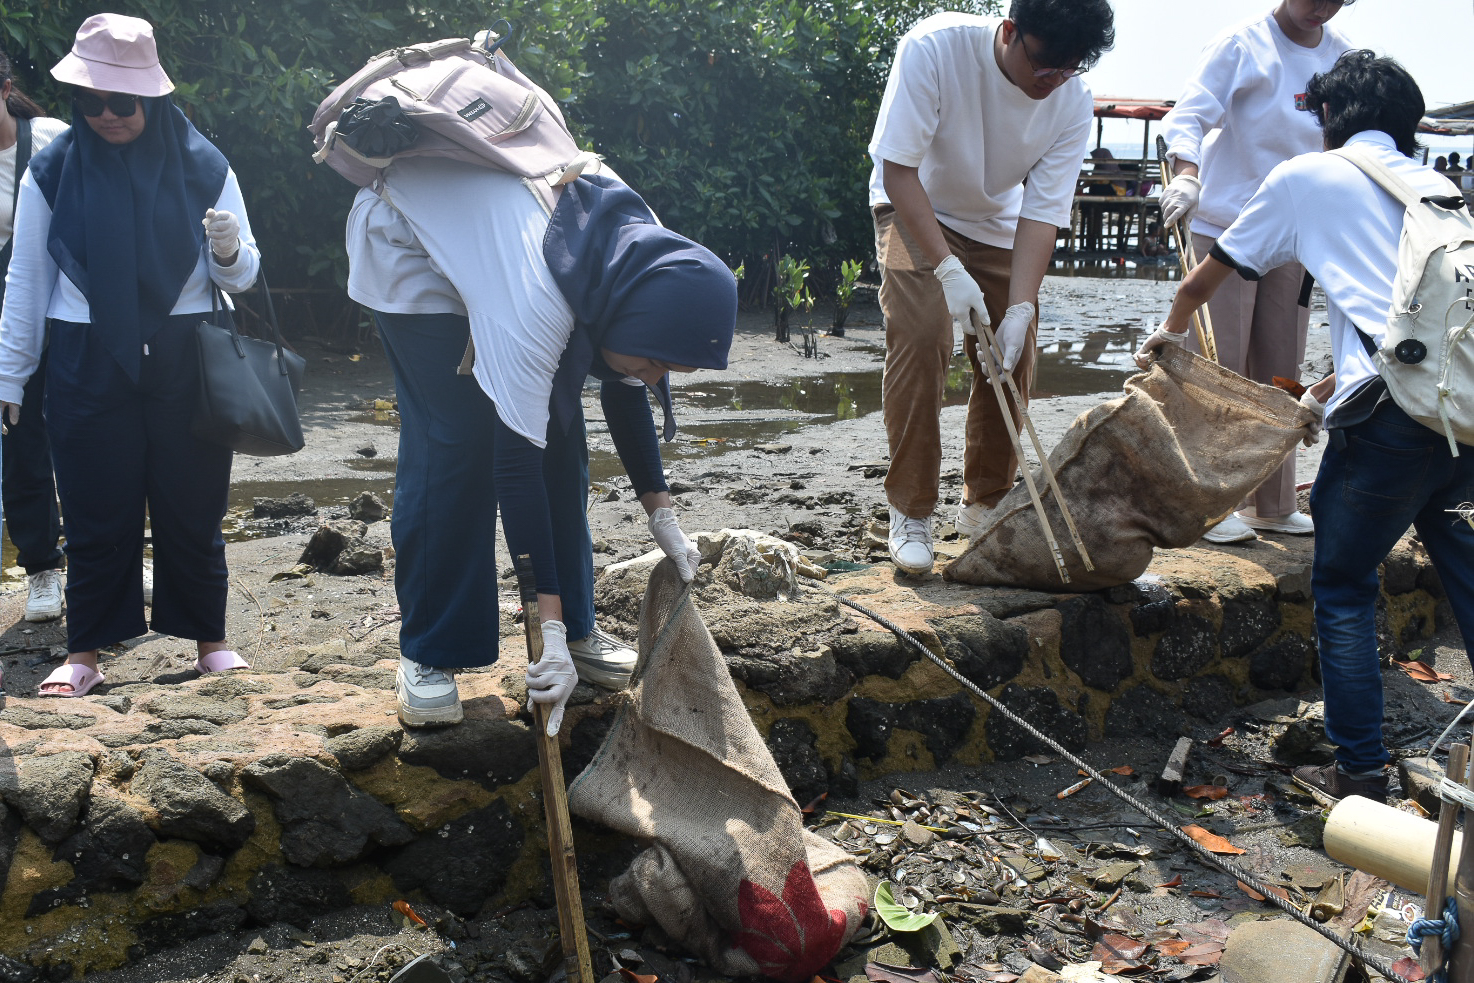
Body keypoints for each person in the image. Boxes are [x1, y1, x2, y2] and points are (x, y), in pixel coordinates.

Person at [1137, 51, 1472, 804]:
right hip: (1461, 422)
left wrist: (1171, 331)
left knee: (1344, 584)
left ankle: (1358, 772)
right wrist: (1321, 389)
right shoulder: (1437, 187)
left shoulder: (1306, 177)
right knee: (1467, 579)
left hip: (1392, 425)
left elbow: (1205, 275)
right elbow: (1405, 324)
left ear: (1328, 118)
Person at [346, 158, 734, 732]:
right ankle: (429, 648)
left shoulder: (647, 265)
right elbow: (515, 469)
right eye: (654, 362)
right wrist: (540, 628)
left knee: (562, 435)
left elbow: (628, 387)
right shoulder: (540, 308)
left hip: (502, 246)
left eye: (667, 368)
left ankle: (577, 627)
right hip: (411, 243)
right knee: (455, 441)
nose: (656, 376)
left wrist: (663, 515)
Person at [0, 13, 260, 696]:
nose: (108, 115)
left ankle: (211, 640)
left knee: (193, 500)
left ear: (153, 98)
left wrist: (230, 248)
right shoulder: (51, 171)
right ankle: (83, 651)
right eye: (92, 102)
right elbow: (26, 280)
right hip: (86, 352)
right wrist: (11, 375)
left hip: (187, 348)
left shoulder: (205, 165)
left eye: (124, 102)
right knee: (93, 504)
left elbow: (240, 278)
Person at [867, 0, 1115, 575]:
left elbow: (1043, 211)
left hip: (998, 225)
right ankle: (911, 509)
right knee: (923, 332)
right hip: (910, 206)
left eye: (1069, 70)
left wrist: (1023, 307)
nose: (1052, 83)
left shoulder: (1071, 99)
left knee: (1012, 350)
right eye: (1044, 67)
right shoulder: (935, 48)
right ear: (1009, 33)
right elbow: (898, 169)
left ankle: (985, 502)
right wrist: (948, 269)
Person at [1158, 0, 1354, 544]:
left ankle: (1270, 502)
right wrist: (1188, 175)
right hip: (1228, 223)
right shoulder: (1244, 44)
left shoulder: (1342, 57)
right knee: (1218, 365)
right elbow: (1190, 115)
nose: (1322, 7)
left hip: (1294, 234)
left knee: (1279, 365)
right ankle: (1208, 507)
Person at [0, 51, 68, 624]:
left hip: (64, 313)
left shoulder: (51, 140)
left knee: (87, 439)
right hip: (6, 324)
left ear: (5, 88)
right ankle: (43, 567)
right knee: (19, 445)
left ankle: (111, 562)